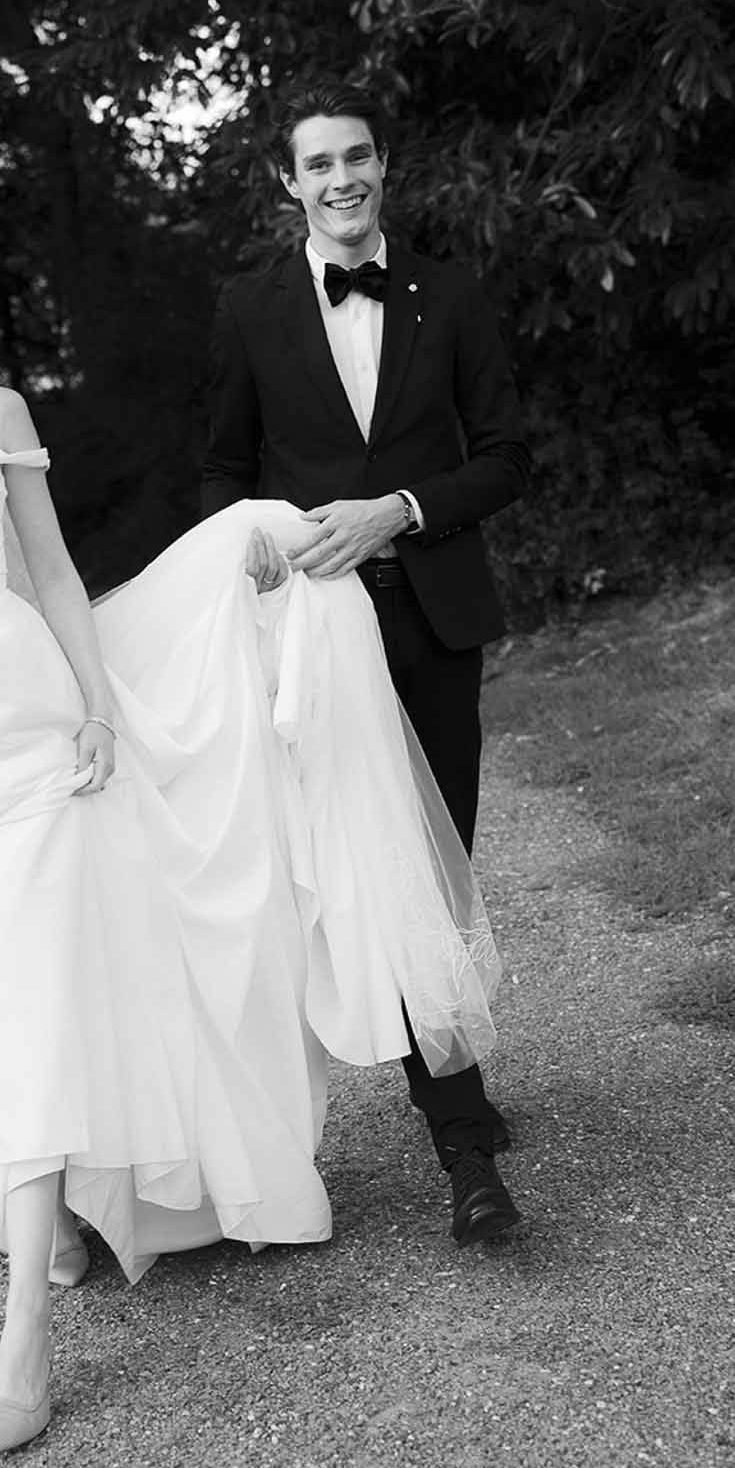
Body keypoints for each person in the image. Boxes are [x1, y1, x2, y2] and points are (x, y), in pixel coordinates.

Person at [0, 196, 502, 1454]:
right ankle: (50, 1201)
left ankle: (21, 1346)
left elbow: (48, 573)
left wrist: (96, 703)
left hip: (22, 726)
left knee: (40, 992)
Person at [202, 84, 533, 1245]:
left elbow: (503, 455)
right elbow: (220, 467)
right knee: (360, 862)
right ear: (287, 182)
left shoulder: (449, 294)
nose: (341, 179)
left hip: (434, 615)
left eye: (358, 158)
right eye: (318, 164)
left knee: (440, 857)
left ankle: (453, 1075)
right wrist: (249, 547)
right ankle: (455, 1124)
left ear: (384, 167)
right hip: (315, 636)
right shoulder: (248, 309)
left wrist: (397, 507)